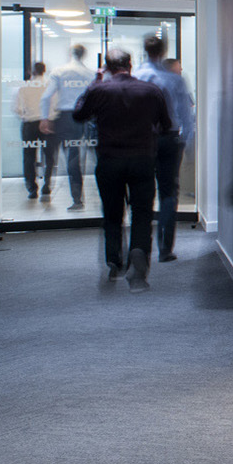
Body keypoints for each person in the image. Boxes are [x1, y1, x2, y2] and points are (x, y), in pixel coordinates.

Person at [73, 48, 172, 290]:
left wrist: (94, 83)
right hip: (142, 159)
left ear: (107, 68)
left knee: (112, 214)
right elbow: (166, 124)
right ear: (130, 64)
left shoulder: (99, 90)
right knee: (142, 213)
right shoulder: (150, 90)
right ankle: (138, 257)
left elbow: (78, 114)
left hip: (109, 160)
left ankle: (114, 261)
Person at [134, 34, 196, 262]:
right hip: (170, 139)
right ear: (163, 51)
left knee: (142, 192)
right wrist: (186, 142)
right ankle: (165, 249)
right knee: (168, 193)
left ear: (145, 50)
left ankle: (141, 247)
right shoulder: (175, 79)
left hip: (142, 140)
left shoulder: (136, 76)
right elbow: (186, 115)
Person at [40, 44, 95, 207]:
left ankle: (51, 189)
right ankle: (78, 198)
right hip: (84, 117)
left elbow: (46, 97)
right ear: (84, 55)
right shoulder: (90, 74)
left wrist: (44, 118)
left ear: (71, 54)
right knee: (77, 157)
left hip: (65, 117)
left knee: (60, 156)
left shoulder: (59, 71)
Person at [12, 61, 48, 200]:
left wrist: (25, 115)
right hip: (46, 123)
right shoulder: (49, 85)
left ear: (31, 71)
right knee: (49, 155)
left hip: (29, 125)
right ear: (44, 71)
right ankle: (47, 185)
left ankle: (32, 188)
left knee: (29, 157)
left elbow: (17, 108)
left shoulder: (24, 87)